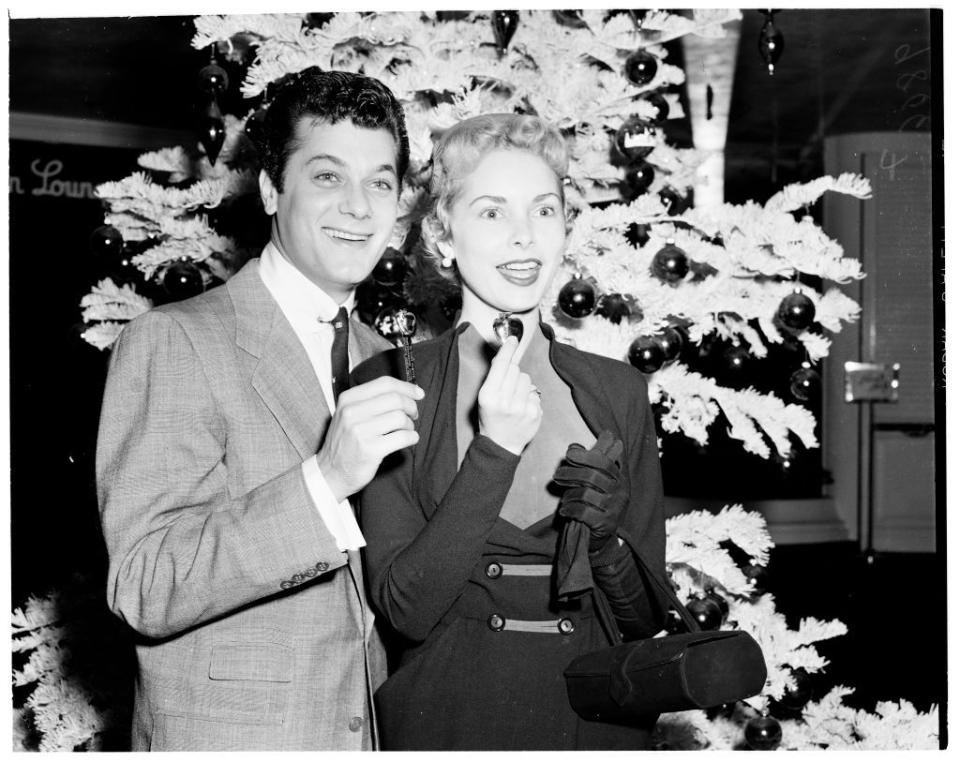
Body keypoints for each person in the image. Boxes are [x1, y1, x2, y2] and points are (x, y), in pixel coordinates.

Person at [96, 68, 424, 751]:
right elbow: (145, 582)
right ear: (273, 188)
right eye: (328, 177)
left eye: (381, 182)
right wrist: (323, 482)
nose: (359, 208)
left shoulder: (391, 361)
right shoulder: (177, 340)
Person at [353, 113, 669, 750]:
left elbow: (644, 619)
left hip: (592, 723)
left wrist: (606, 546)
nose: (524, 237)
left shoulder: (619, 392)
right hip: (453, 715)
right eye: (493, 213)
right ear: (445, 237)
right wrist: (494, 452)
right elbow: (406, 610)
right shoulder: (389, 381)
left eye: (544, 211)